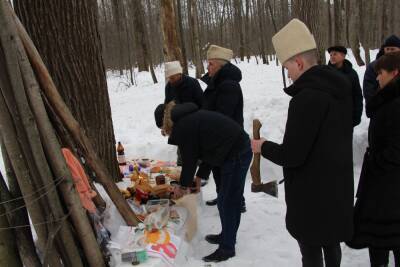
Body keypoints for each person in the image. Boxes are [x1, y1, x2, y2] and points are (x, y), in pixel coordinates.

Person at [251, 19, 354, 267]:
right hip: (337, 187)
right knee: (331, 243)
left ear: (298, 62)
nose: (288, 74)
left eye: (287, 67)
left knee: (310, 251)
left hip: (312, 195)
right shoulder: (339, 89)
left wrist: (262, 146)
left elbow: (293, 155)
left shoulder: (306, 98)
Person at [154, 102, 252, 262]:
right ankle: (227, 235)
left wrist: (183, 186)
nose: (163, 132)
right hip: (231, 149)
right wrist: (199, 177)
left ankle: (228, 248)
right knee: (226, 199)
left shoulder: (184, 125)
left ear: (165, 123)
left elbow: (190, 160)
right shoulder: (187, 120)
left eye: (162, 129)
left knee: (227, 201)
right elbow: (208, 150)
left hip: (236, 152)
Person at [346, 52, 400, 267]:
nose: (377, 78)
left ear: (395, 72)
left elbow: (396, 149)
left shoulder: (395, 104)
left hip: (389, 190)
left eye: (381, 73)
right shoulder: (387, 99)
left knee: (384, 239)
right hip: (384, 186)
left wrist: (377, 161)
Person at [199, 45, 247, 210]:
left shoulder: (228, 85)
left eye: (211, 64)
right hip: (220, 140)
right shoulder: (217, 83)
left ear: (220, 65)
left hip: (229, 140)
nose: (207, 67)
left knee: (229, 176)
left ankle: (236, 203)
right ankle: (223, 197)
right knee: (218, 172)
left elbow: (223, 116)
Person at [164, 61, 203, 166]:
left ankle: (199, 172)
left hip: (194, 121)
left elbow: (202, 103)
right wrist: (166, 124)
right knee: (181, 150)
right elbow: (167, 104)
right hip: (178, 123)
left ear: (179, 74)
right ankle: (181, 167)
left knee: (195, 150)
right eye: (169, 78)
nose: (170, 80)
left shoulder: (193, 83)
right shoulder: (169, 87)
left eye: (172, 78)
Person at [328, 45, 363, 127]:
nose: (332, 57)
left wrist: (357, 116)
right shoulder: (326, 72)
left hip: (347, 116)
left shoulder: (352, 74)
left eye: (335, 54)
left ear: (343, 56)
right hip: (329, 117)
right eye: (331, 55)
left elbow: (357, 96)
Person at [363, 35, 400, 106]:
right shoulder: (373, 67)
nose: (389, 52)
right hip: (380, 109)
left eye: (393, 49)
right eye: (387, 49)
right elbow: (369, 92)